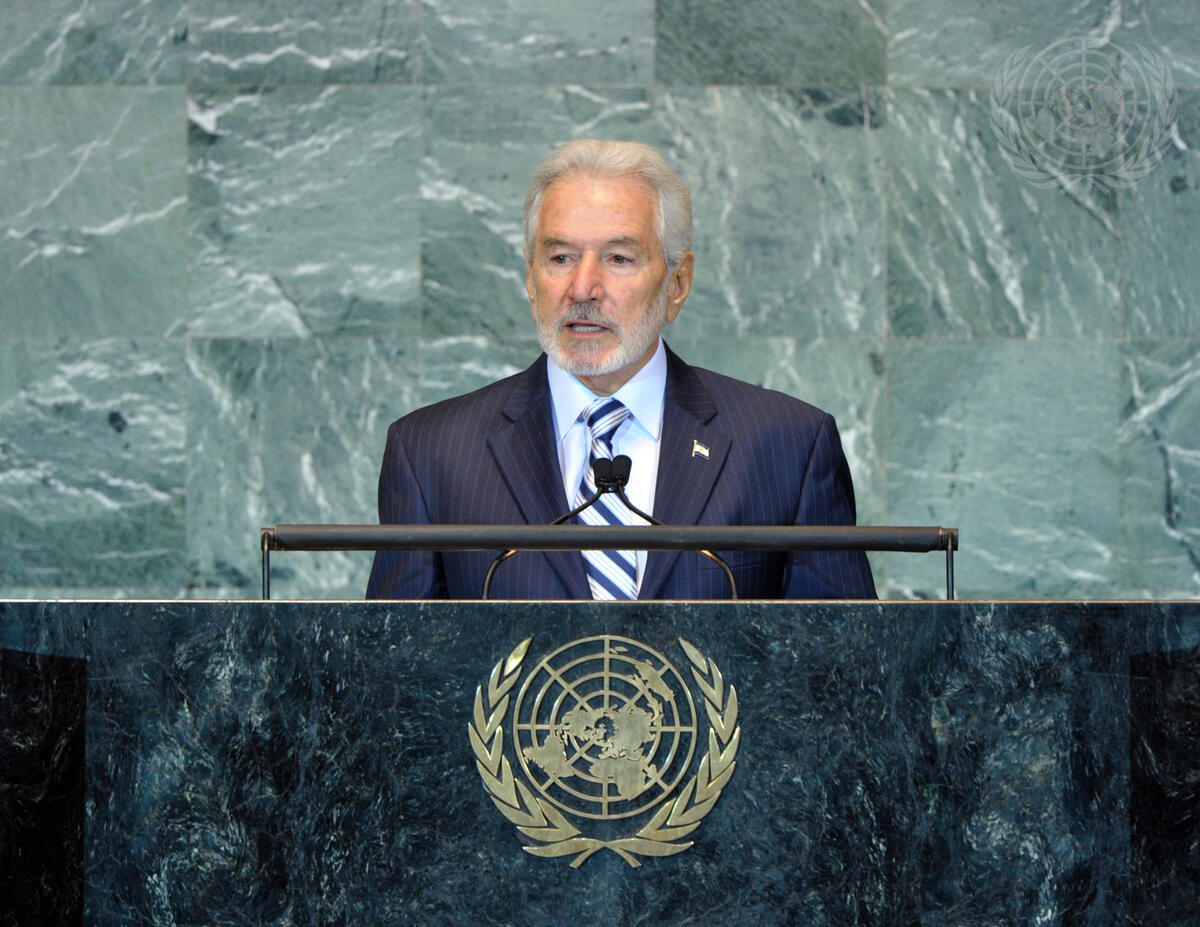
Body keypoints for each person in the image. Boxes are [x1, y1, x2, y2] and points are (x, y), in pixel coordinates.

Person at [366, 139, 876, 600]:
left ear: (677, 283)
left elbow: (840, 661)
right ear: (530, 279)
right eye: (560, 258)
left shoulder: (787, 446)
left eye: (618, 259)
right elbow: (397, 665)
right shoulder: (431, 452)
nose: (583, 288)